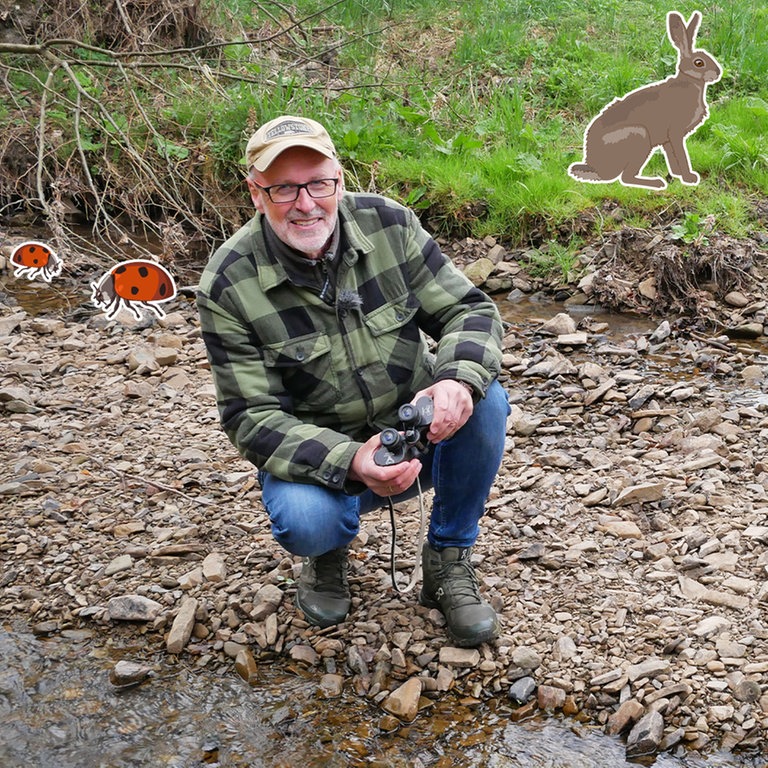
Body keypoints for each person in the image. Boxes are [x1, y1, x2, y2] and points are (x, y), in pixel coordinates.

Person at [197, 115, 510, 647]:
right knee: (305, 521)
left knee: (487, 401)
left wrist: (456, 379)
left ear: (339, 179)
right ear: (256, 193)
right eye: (283, 188)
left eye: (319, 183)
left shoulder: (390, 224)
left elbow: (468, 309)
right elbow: (249, 417)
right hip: (321, 456)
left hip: (415, 432)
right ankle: (326, 555)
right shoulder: (229, 282)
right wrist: (350, 461)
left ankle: (448, 560)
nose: (306, 203)